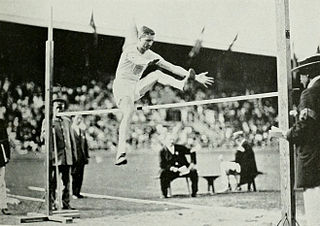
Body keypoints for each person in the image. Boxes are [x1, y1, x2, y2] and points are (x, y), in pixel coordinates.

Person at [112, 19, 214, 165]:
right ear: (140, 38)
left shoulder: (150, 54)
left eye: (152, 41)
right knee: (129, 112)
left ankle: (180, 85)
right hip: (122, 87)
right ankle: (120, 153)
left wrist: (195, 77)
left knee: (158, 74)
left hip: (135, 86)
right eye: (147, 40)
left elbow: (172, 67)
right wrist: (149, 62)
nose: (149, 44)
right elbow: (139, 61)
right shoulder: (130, 50)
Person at [270, 54, 320, 226]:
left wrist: (286, 133)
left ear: (308, 74)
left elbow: (305, 128)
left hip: (314, 164)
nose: (300, 78)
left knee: (315, 216)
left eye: (302, 74)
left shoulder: (310, 93)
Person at [41, 97, 76, 210]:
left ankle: (66, 203)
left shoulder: (67, 121)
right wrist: (48, 132)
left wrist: (74, 155)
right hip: (55, 157)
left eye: (61, 107)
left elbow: (71, 139)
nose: (60, 109)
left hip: (67, 157)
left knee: (66, 182)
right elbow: (42, 138)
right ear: (53, 108)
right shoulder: (48, 121)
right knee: (53, 182)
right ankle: (51, 204)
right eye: (57, 107)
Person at [159, 133, 198, 198]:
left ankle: (194, 192)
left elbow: (192, 151)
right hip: (172, 171)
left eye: (172, 139)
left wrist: (192, 163)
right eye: (169, 140)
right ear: (165, 140)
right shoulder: (163, 151)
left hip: (184, 169)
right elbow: (162, 164)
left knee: (193, 171)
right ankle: (164, 194)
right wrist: (171, 168)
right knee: (163, 174)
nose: (171, 141)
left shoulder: (179, 147)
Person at [70, 115, 89, 199]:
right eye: (77, 118)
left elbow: (85, 145)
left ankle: (78, 192)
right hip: (74, 157)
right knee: (74, 175)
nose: (79, 120)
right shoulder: (71, 130)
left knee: (80, 176)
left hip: (81, 157)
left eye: (80, 118)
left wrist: (86, 156)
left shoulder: (82, 131)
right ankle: (74, 192)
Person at [0, 111, 11, 215]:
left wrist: (7, 155)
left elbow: (5, 140)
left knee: (1, 182)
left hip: (0, 156)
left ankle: (3, 205)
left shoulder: (1, 123)